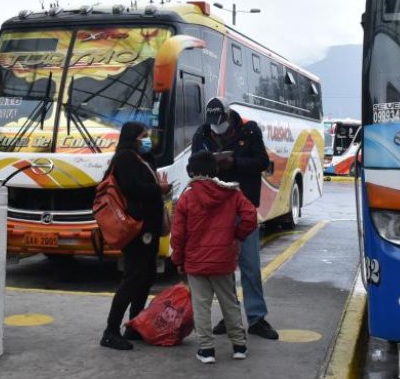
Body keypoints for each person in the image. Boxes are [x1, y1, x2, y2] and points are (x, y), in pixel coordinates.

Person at [191, 97, 279, 340]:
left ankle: (257, 317)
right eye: (212, 124)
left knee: (250, 265)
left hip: (244, 207)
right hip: (216, 208)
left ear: (228, 117)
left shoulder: (249, 131)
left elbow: (262, 161)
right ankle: (230, 317)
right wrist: (212, 163)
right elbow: (193, 165)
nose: (215, 127)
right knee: (223, 267)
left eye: (219, 123)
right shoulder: (202, 133)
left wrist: (234, 162)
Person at [171, 151, 257, 364]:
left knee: (201, 306)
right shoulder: (231, 193)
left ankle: (207, 350)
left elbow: (178, 234)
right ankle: (239, 346)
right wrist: (237, 235)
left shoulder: (187, 196)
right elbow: (250, 217)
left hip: (195, 261)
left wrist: (178, 260)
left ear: (191, 171)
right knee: (230, 303)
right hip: (223, 260)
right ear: (216, 170)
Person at [101, 121, 170, 351]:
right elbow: (131, 187)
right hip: (136, 229)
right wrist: (157, 190)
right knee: (133, 278)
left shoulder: (143, 157)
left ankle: (134, 324)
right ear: (132, 137)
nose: (147, 139)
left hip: (148, 228)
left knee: (147, 276)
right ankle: (111, 331)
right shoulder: (125, 158)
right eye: (143, 135)